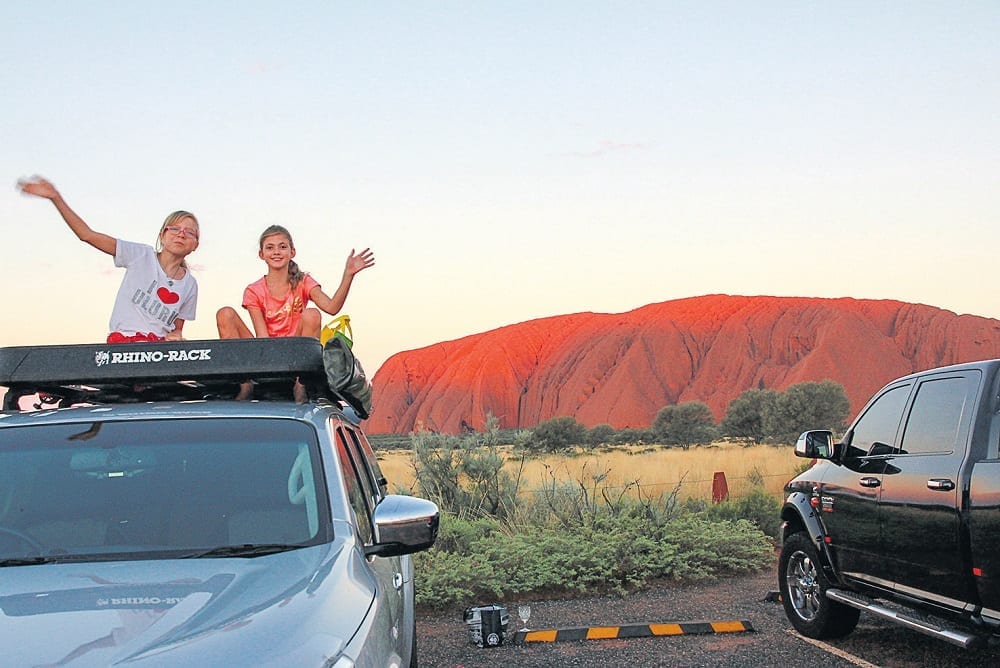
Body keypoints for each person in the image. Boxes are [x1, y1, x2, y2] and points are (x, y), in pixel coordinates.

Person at [17, 176, 199, 343]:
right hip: (124, 344)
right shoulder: (140, 255)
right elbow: (87, 235)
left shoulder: (189, 284)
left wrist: (176, 337)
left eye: (189, 232)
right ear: (162, 235)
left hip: (158, 351)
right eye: (174, 229)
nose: (181, 235)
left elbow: (176, 330)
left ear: (195, 245)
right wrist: (56, 198)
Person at [216, 224, 374, 400]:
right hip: (264, 350)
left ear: (292, 252)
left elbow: (332, 307)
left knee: (312, 314)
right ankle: (244, 383)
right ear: (262, 255)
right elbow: (263, 338)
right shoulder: (254, 290)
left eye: (282, 247)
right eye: (270, 247)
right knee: (225, 313)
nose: (276, 252)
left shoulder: (303, 282)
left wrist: (348, 275)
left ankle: (301, 382)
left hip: (296, 352)